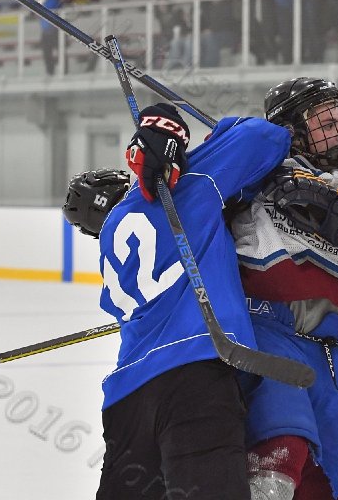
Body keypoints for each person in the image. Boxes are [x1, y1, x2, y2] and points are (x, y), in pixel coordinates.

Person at [67, 103, 293, 500]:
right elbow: (267, 137)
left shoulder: (111, 236)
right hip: (196, 377)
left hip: (127, 399)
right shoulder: (191, 187)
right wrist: (182, 131)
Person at [233, 78, 338, 500]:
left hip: (334, 348)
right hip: (270, 331)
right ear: (291, 129)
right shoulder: (258, 165)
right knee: (280, 453)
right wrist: (269, 175)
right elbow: (213, 162)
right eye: (325, 122)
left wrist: (334, 195)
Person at [36, 0, 61, 76]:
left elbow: (50, 9)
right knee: (46, 52)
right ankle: (50, 72)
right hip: (45, 29)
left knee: (59, 50)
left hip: (54, 29)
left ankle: (63, 70)